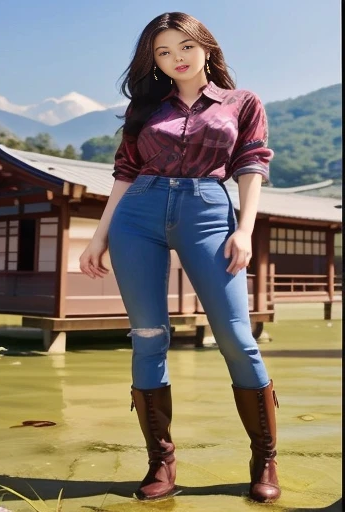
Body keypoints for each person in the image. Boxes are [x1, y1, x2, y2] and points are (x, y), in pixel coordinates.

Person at [79, 11, 280, 504]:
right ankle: (161, 462)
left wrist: (246, 229)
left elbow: (251, 163)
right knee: (149, 337)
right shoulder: (145, 108)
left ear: (206, 47)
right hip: (138, 213)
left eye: (184, 47)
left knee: (236, 336)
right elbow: (124, 173)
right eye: (163, 53)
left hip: (209, 211)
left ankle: (265, 458)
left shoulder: (241, 102)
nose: (176, 60)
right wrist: (98, 237)